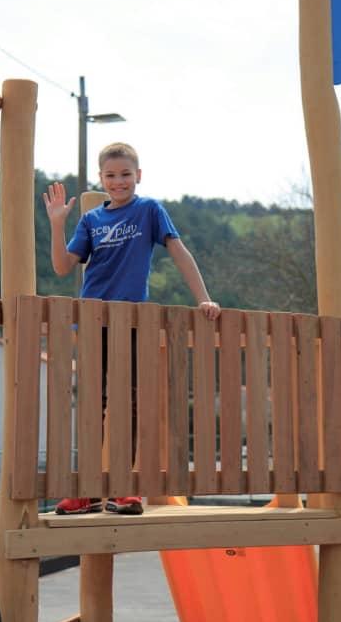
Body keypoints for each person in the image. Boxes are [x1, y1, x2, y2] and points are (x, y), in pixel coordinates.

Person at [43, 142, 220, 516]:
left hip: (131, 321)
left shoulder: (148, 210)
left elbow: (178, 251)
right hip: (93, 320)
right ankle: (88, 491)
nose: (118, 181)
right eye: (111, 175)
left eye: (125, 174)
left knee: (128, 404)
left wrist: (204, 298)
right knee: (92, 405)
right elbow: (63, 267)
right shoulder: (91, 221)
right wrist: (58, 223)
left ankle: (125, 489)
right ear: (101, 179)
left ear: (138, 176)